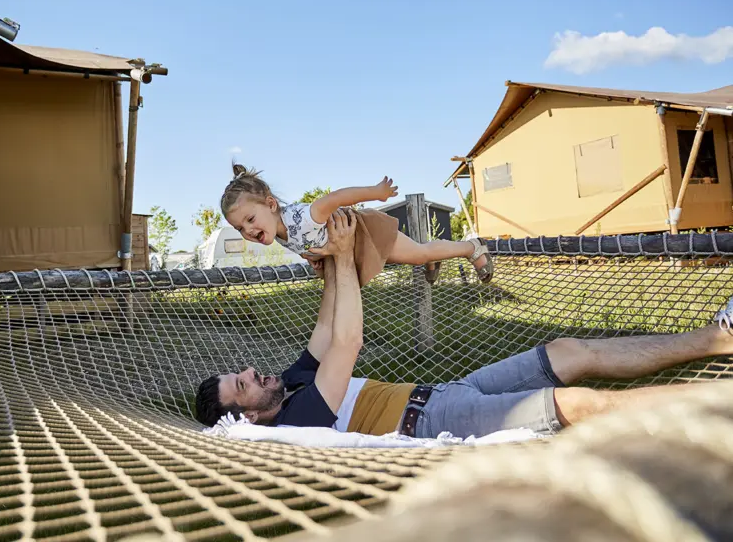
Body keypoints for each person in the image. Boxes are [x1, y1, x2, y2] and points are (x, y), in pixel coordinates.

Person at [195, 209, 733, 439]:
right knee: (578, 405)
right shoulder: (299, 419)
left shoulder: (288, 385)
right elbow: (347, 341)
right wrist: (338, 257)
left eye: (240, 373)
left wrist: (335, 257)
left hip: (443, 391)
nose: (250, 372)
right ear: (245, 417)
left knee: (568, 351)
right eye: (240, 385)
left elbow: (325, 326)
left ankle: (720, 337)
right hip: (435, 421)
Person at [219, 164, 493, 286]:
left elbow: (335, 198)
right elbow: (309, 244)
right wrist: (316, 256)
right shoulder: (279, 233)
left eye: (250, 219)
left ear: (270, 205)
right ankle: (432, 258)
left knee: (419, 253)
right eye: (241, 228)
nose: (248, 231)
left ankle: (471, 247)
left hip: (365, 231)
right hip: (351, 245)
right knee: (418, 253)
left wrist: (376, 192)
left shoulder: (300, 217)